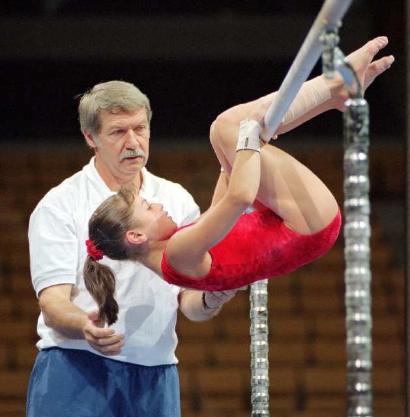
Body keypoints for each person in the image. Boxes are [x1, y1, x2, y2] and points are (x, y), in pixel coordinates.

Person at [83, 37, 393, 325]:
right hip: (307, 225)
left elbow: (223, 204)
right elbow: (240, 198)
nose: (159, 205)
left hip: (292, 223)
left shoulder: (174, 252)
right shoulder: (176, 252)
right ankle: (334, 84)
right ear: (136, 236)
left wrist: (230, 156)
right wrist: (244, 135)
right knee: (227, 126)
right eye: (148, 207)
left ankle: (332, 95)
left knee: (226, 136)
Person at [27, 80, 242, 417]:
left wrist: (211, 298)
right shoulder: (60, 205)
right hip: (75, 370)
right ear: (90, 138)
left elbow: (189, 303)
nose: (133, 143)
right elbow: (53, 303)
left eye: (140, 128)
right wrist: (85, 324)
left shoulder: (175, 201)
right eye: (117, 132)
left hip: (156, 375)